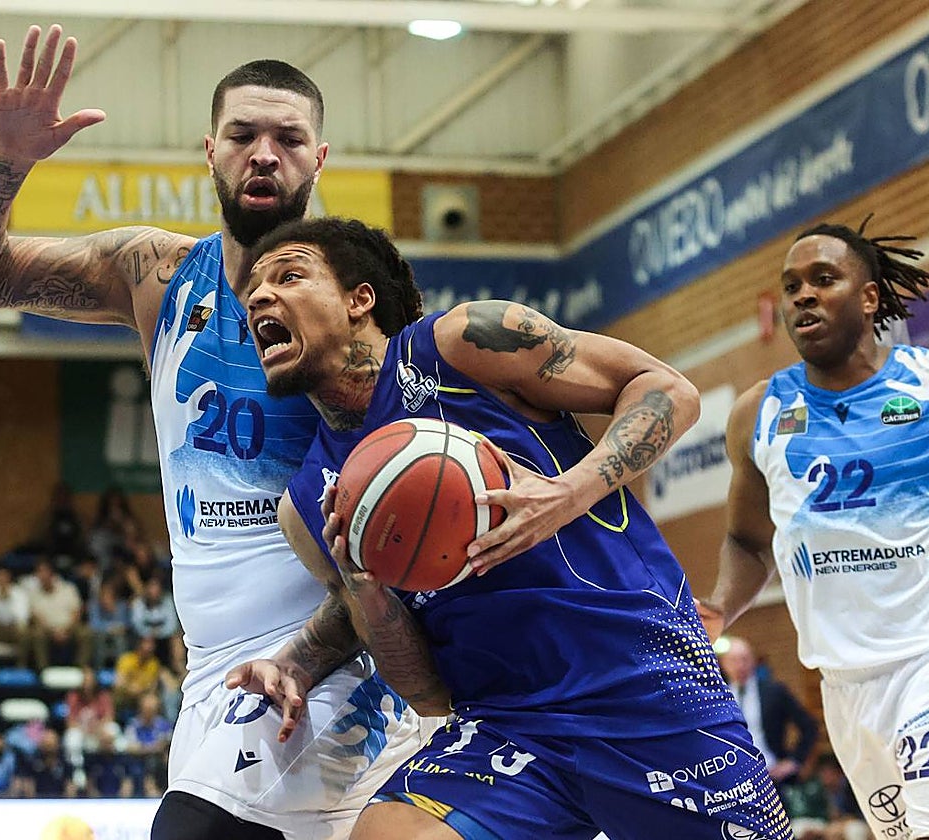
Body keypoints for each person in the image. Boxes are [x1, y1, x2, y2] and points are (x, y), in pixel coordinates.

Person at [0, 24, 424, 840]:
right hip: (211, 673)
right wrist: (8, 161)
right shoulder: (156, 274)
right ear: (211, 151)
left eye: (289, 138)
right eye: (244, 134)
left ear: (319, 161)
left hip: (333, 649)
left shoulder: (358, 308)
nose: (265, 153)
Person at [228, 218, 794, 839]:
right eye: (252, 287)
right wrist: (369, 592)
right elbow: (428, 695)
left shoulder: (463, 342)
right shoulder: (308, 506)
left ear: (360, 299)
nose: (259, 296)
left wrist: (565, 494)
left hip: (643, 685)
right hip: (506, 725)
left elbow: (668, 390)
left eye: (289, 275)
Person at [700, 218, 929, 840]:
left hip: (922, 659)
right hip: (843, 686)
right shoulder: (759, 413)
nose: (803, 294)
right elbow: (749, 540)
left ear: (870, 296)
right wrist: (720, 606)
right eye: (792, 284)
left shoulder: (923, 384)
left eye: (824, 279)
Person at [719, 637, 819, 790]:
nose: (740, 666)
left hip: (773, 776)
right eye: (733, 660)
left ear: (753, 661)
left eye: (744, 659)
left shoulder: (774, 691)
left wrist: (794, 761)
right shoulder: (719, 698)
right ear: (724, 664)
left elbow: (809, 726)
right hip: (735, 780)